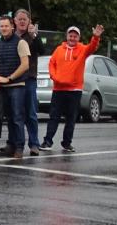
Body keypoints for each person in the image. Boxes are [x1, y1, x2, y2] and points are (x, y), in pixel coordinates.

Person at [41, 24, 103, 153]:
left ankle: (67, 143)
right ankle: (47, 141)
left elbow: (92, 47)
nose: (72, 38)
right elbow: (52, 63)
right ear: (67, 36)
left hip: (74, 90)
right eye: (71, 35)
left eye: (75, 36)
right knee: (54, 117)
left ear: (78, 38)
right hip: (58, 89)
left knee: (71, 118)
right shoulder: (59, 49)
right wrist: (54, 76)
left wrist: (96, 37)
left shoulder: (82, 49)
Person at [0, 15, 31, 159]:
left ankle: (19, 147)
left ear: (12, 27)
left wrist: (9, 78)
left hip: (17, 85)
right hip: (4, 86)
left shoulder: (21, 43)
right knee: (9, 118)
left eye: (6, 26)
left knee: (17, 117)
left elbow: (25, 65)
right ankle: (11, 144)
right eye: (1, 26)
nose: (3, 28)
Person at [13, 9, 45, 156]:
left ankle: (34, 144)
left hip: (29, 78)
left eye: (24, 19)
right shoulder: (11, 36)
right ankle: (13, 143)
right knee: (15, 113)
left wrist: (34, 36)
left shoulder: (32, 36)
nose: (22, 21)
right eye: (19, 19)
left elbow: (42, 50)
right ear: (15, 21)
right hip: (14, 78)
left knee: (31, 113)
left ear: (29, 21)